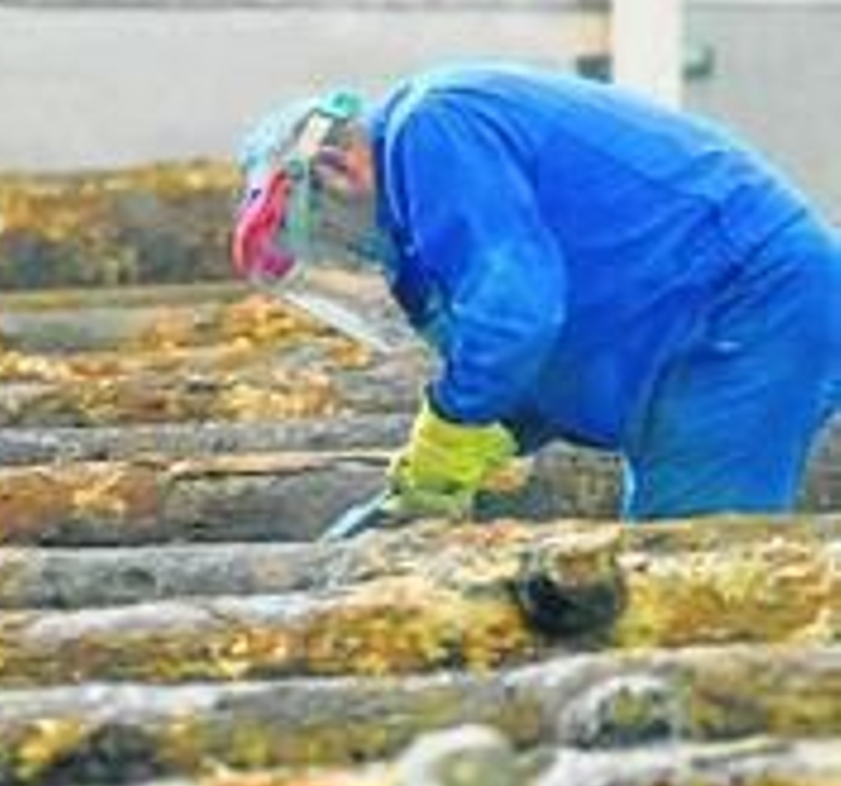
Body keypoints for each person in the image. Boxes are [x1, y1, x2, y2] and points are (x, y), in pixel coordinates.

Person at [231, 63, 841, 524]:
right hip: (712, 320)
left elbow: (515, 312)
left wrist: (455, 422)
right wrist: (503, 428)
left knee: (693, 574)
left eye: (328, 231)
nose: (352, 251)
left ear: (337, 169)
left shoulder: (432, 128)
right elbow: (565, 325)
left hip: (746, 306)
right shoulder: (430, 170)